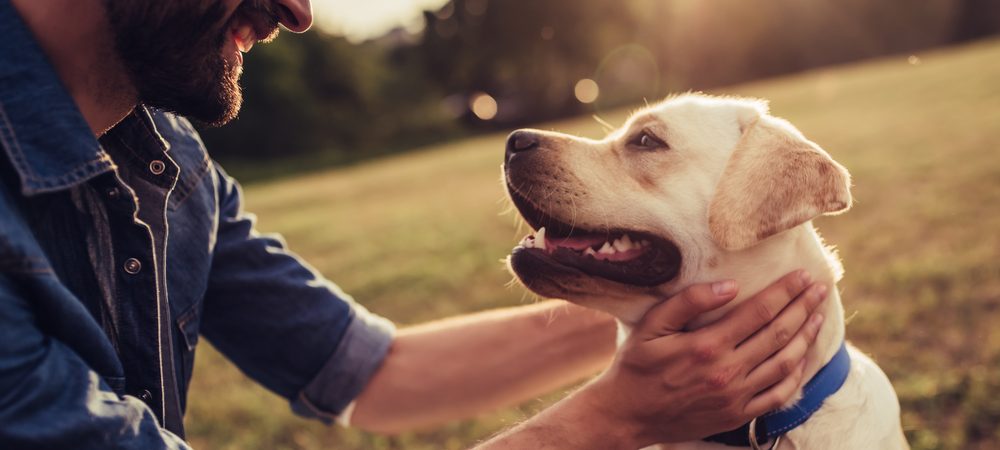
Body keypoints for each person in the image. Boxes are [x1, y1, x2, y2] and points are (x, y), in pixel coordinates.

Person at [0, 1, 828, 449]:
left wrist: (694, 310)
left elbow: (377, 373)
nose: (297, 10)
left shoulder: (168, 163)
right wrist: (616, 419)